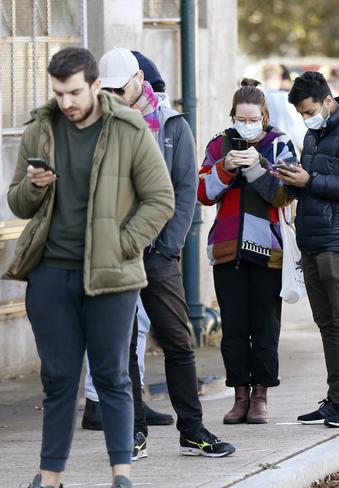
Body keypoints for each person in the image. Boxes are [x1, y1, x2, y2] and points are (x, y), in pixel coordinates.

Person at [4, 47, 174, 488]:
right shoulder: (41, 130)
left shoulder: (128, 127)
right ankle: (50, 476)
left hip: (111, 277)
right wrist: (34, 186)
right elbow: (17, 201)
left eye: (75, 92)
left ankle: (121, 474)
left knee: (112, 376)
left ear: (95, 85)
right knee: (58, 381)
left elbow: (161, 199)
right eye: (59, 92)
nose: (66, 102)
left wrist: (124, 244)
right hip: (51, 274)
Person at [98, 47, 234, 461]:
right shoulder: (97, 123)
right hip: (116, 253)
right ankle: (132, 432)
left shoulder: (172, 126)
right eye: (107, 91)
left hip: (158, 254)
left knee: (178, 342)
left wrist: (169, 246)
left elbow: (183, 193)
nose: (115, 97)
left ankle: (192, 430)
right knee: (122, 347)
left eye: (120, 89)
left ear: (139, 79)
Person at [278, 71, 339, 428]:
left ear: (327, 101)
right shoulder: (313, 134)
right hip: (314, 240)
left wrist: (311, 180)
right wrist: (294, 179)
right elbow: (314, 183)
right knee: (327, 324)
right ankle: (337, 399)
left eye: (310, 110)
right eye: (302, 114)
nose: (307, 118)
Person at [82, 50, 174, 433]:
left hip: (141, 239)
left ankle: (131, 401)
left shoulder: (157, 120)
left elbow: (164, 190)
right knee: (111, 325)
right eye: (113, 89)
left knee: (137, 325)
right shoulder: (97, 122)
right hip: (110, 239)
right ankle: (97, 402)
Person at [197, 78, 296, 425]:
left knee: (265, 325)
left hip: (268, 249)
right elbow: (204, 193)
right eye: (242, 118)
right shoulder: (218, 144)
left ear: (265, 117)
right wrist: (226, 167)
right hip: (227, 248)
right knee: (234, 327)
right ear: (233, 116)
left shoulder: (279, 144)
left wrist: (256, 167)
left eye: (254, 119)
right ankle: (239, 394)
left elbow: (284, 195)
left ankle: (261, 397)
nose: (248, 124)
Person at [261, 62, 306, 154]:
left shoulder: (258, 98)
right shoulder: (286, 98)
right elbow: (296, 126)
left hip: (264, 148)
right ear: (278, 76)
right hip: (285, 148)